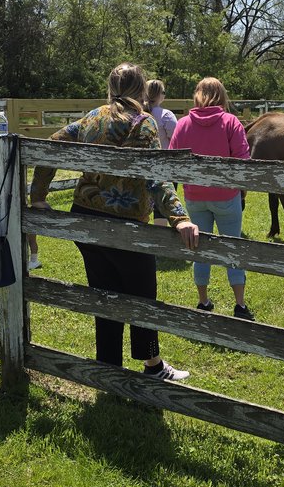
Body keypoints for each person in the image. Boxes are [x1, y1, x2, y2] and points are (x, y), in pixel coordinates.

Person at [29, 63, 199, 381]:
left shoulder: (92, 117)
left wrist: (38, 195)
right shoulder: (143, 122)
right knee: (142, 296)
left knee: (104, 295)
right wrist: (179, 218)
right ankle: (153, 366)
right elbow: (156, 177)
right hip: (125, 225)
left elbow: (50, 146)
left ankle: (108, 365)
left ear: (111, 88)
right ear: (142, 90)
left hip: (86, 218)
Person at [168, 77, 254, 320]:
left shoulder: (183, 124)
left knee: (199, 248)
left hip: (195, 197)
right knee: (232, 248)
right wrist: (242, 190)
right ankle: (240, 304)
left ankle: (203, 300)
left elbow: (173, 161)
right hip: (226, 195)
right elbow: (243, 161)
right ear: (222, 96)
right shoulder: (230, 122)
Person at [146, 79, 178, 227]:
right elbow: (176, 141)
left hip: (143, 165)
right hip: (165, 166)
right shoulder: (166, 115)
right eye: (163, 92)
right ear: (160, 95)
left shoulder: (138, 113)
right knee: (162, 206)